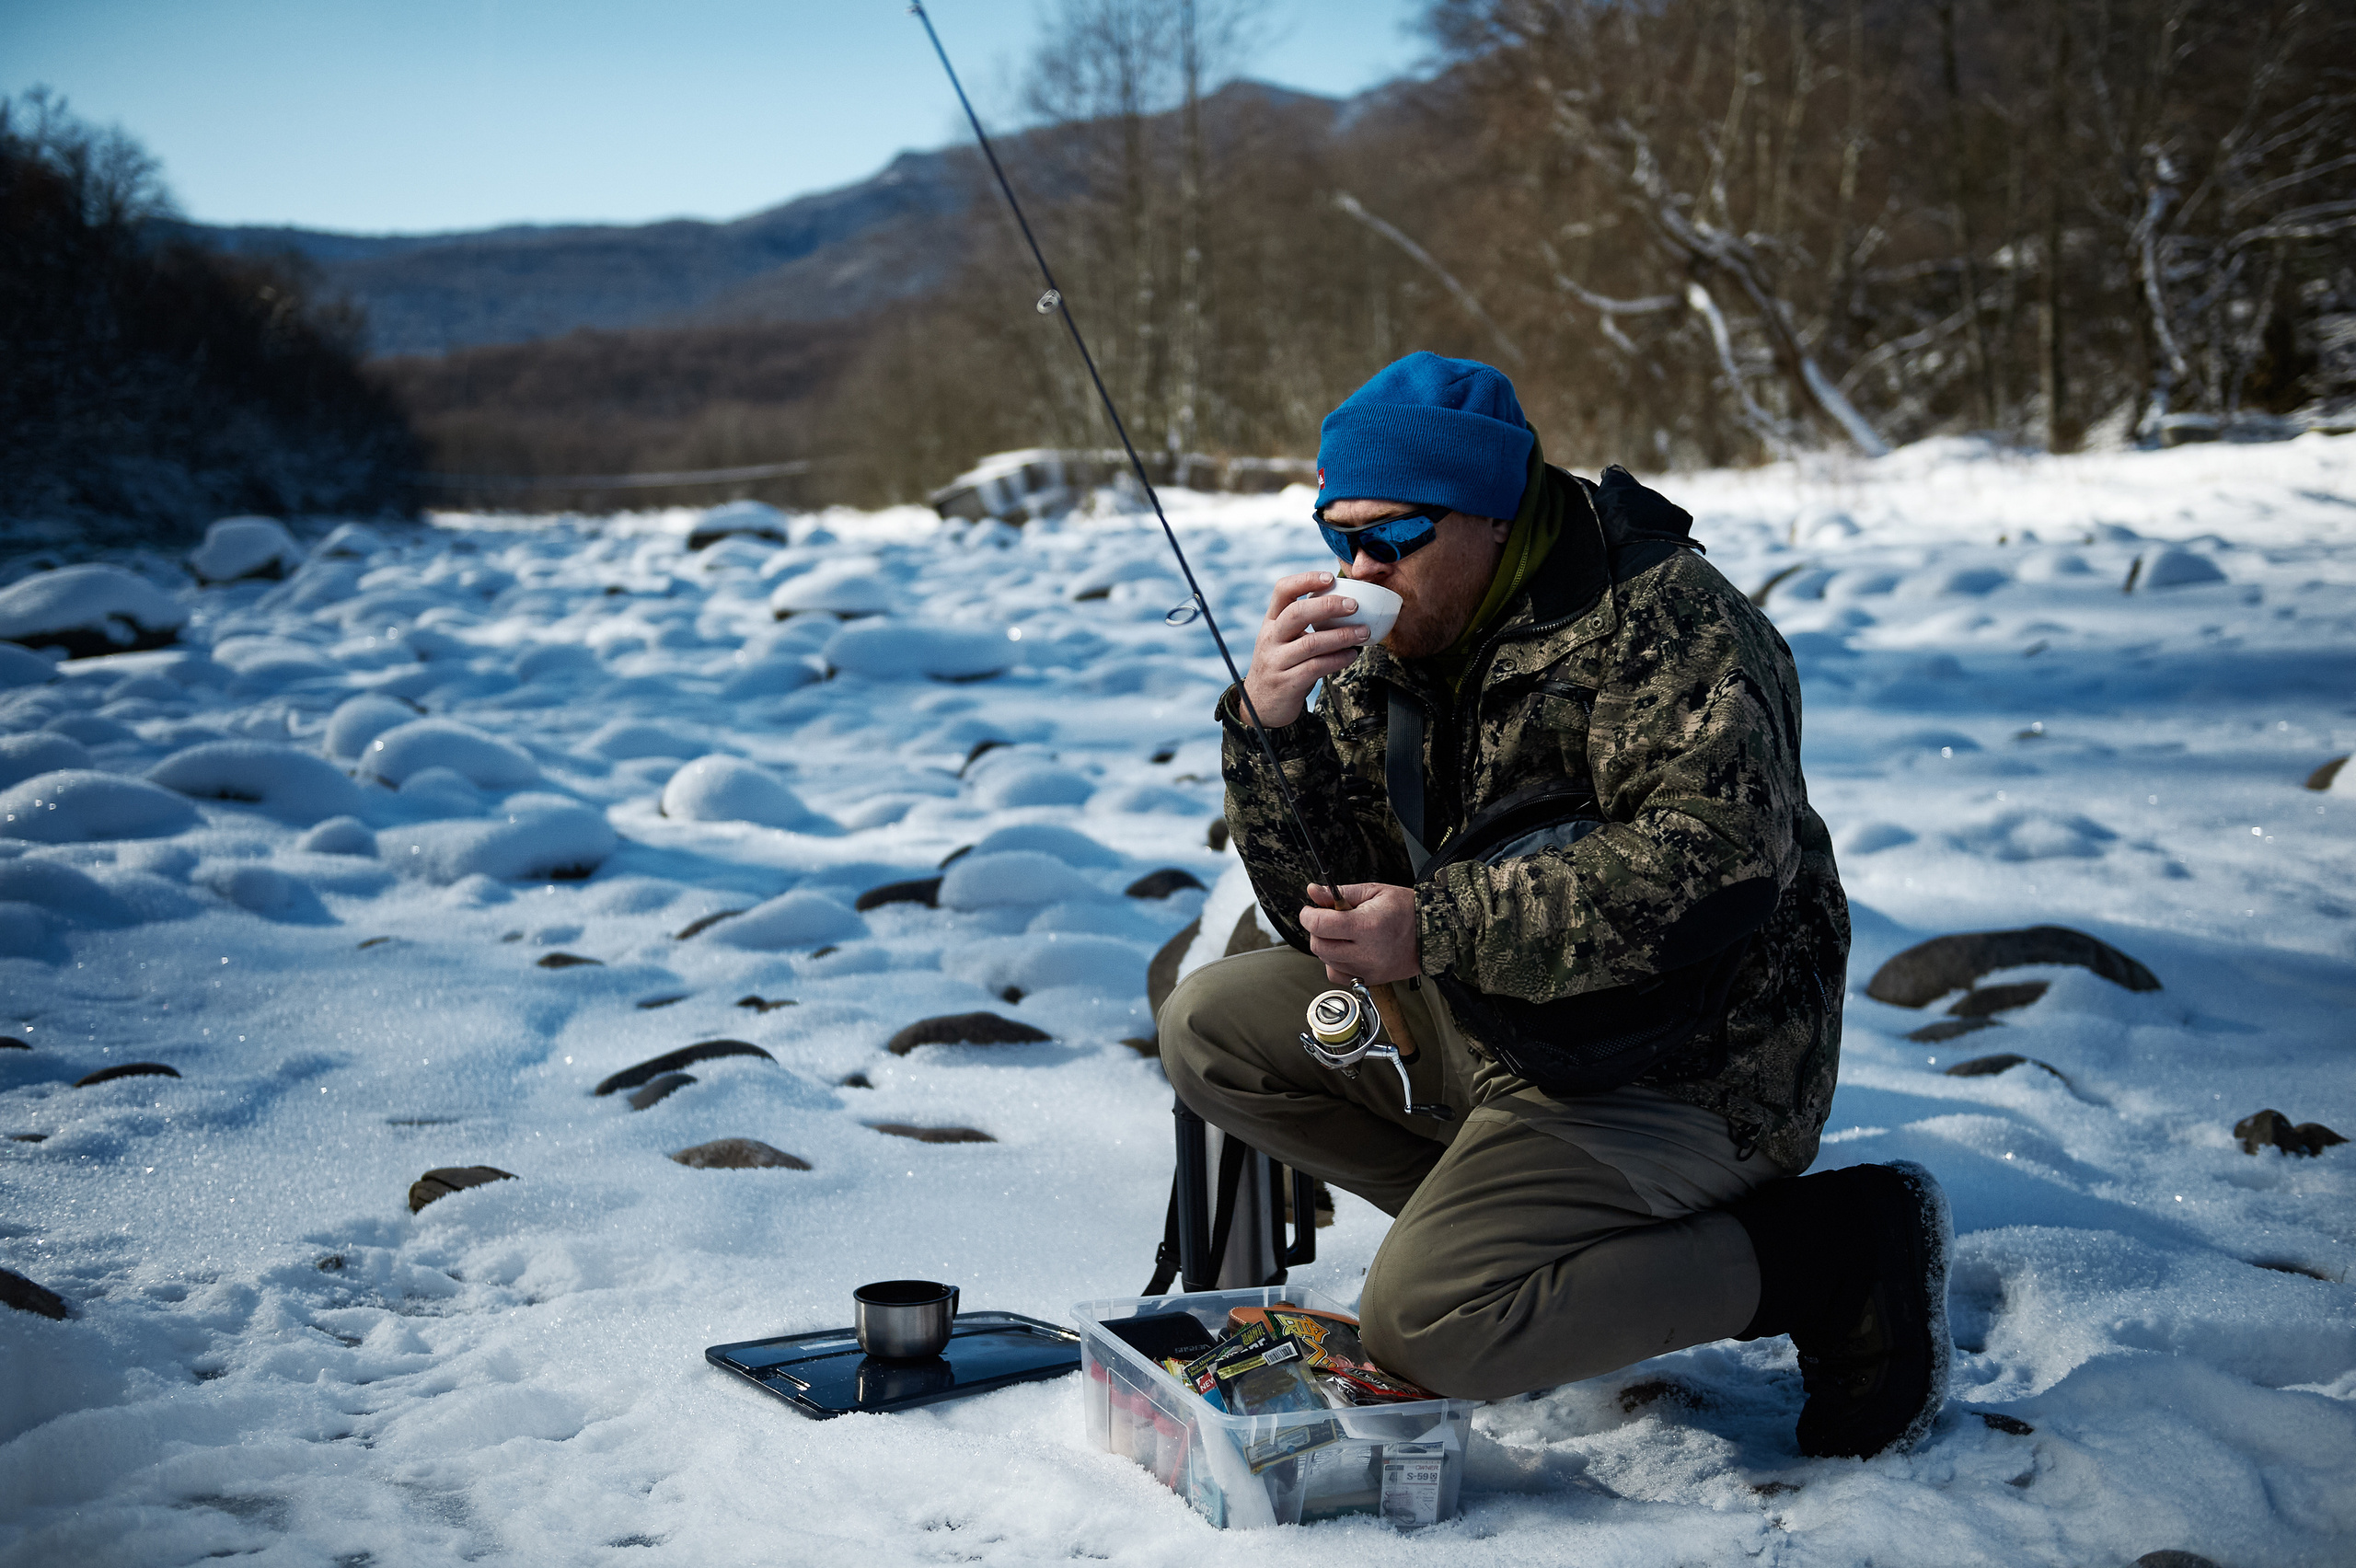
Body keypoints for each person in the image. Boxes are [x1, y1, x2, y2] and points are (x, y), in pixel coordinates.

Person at [1160, 352, 1951, 1459]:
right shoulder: (1393, 648)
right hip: (1497, 1018)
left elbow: (1713, 865)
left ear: (1489, 514)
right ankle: (1535, 1254)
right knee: (1212, 1027)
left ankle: (1827, 1256)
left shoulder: (1663, 619)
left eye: (1390, 538)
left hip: (1686, 1051)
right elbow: (1320, 910)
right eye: (1337, 536)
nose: (1357, 567)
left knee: (1424, 1327)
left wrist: (1434, 927)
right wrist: (1267, 730)